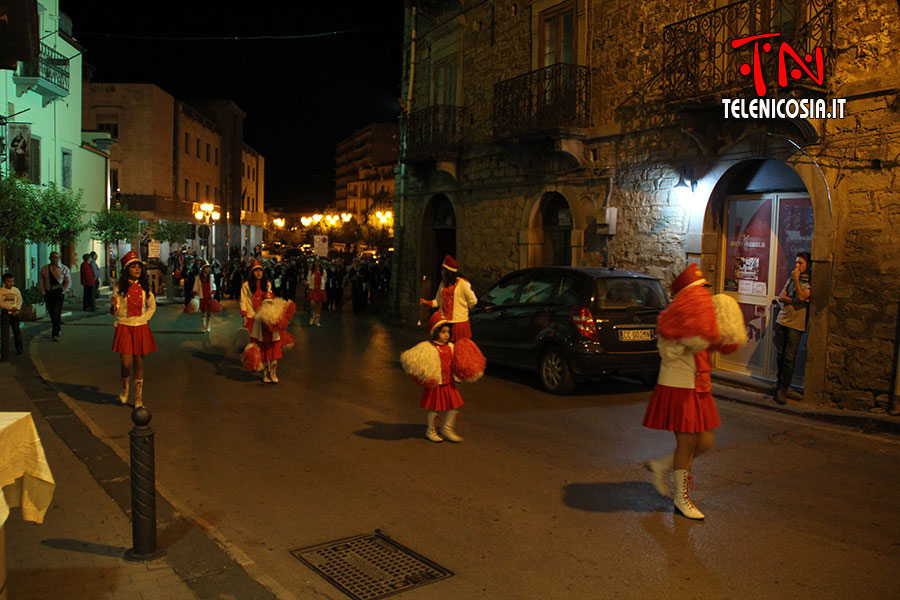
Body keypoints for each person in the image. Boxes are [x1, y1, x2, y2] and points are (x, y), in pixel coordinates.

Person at [641, 265, 745, 521]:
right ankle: (680, 498)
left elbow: (717, 342)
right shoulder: (675, 320)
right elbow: (671, 350)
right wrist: (691, 336)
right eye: (700, 290)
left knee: (705, 442)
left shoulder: (699, 321)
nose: (704, 295)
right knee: (687, 444)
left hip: (699, 387)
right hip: (680, 387)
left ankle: (662, 465)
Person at [400, 312, 485, 443]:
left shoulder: (451, 347)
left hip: (448, 383)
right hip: (436, 384)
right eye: (443, 332)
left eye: (448, 332)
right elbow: (414, 360)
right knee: (435, 408)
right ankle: (431, 430)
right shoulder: (427, 347)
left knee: (453, 406)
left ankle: (447, 428)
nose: (446, 335)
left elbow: (458, 362)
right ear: (435, 332)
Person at [110, 251, 157, 407]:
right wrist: (113, 305)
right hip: (124, 326)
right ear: (126, 269)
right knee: (126, 363)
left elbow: (152, 306)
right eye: (133, 267)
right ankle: (125, 389)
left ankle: (138, 398)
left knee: (139, 363)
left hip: (140, 327)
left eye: (139, 267)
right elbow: (115, 310)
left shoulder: (145, 287)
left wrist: (145, 319)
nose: (137, 269)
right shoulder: (119, 287)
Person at [773, 251, 811, 405]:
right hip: (782, 320)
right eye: (796, 262)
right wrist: (796, 301)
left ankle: (783, 388)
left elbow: (803, 296)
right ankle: (779, 381)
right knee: (781, 354)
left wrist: (796, 281)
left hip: (796, 325)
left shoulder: (809, 282)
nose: (797, 266)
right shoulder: (790, 279)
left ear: (807, 265)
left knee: (789, 358)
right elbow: (782, 297)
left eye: (800, 263)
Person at [420, 255, 478, 342]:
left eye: (443, 270)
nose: (441, 272)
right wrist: (427, 303)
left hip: (459, 325)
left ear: (448, 272)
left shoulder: (463, 284)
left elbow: (473, 301)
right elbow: (438, 301)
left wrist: (462, 311)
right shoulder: (443, 284)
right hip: (445, 324)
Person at [38, 251, 71, 341]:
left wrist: (64, 291)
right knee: (52, 313)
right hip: (48, 293)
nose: (54, 259)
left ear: (59, 258)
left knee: (56, 312)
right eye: (52, 257)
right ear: (49, 258)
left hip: (59, 294)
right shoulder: (45, 269)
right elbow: (41, 281)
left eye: (56, 257)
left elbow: (68, 281)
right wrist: (43, 292)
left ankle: (55, 334)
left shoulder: (64, 269)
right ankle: (57, 327)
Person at [188, 259, 222, 332]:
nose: (207, 269)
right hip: (202, 296)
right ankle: (203, 326)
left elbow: (213, 285)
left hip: (209, 296)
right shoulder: (198, 277)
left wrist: (213, 292)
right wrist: (195, 293)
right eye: (206, 267)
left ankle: (208, 325)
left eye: (208, 267)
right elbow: (196, 286)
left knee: (209, 312)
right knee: (203, 312)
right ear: (203, 268)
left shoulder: (211, 276)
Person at [0, 273, 24, 354]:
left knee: (16, 331)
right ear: (4, 282)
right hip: (5, 313)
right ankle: (4, 348)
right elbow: (1, 302)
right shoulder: (2, 291)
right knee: (4, 331)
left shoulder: (16, 290)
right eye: (8, 281)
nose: (11, 283)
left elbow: (20, 300)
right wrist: (10, 308)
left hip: (14, 313)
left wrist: (17, 308)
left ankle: (19, 347)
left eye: (12, 281)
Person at [306, 256, 327, 326]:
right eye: (316, 261)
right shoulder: (311, 271)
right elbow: (308, 279)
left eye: (318, 261)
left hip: (320, 289)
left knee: (319, 304)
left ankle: (317, 320)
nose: (317, 263)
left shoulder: (322, 271)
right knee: (312, 303)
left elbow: (325, 279)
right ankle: (312, 316)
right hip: (313, 288)